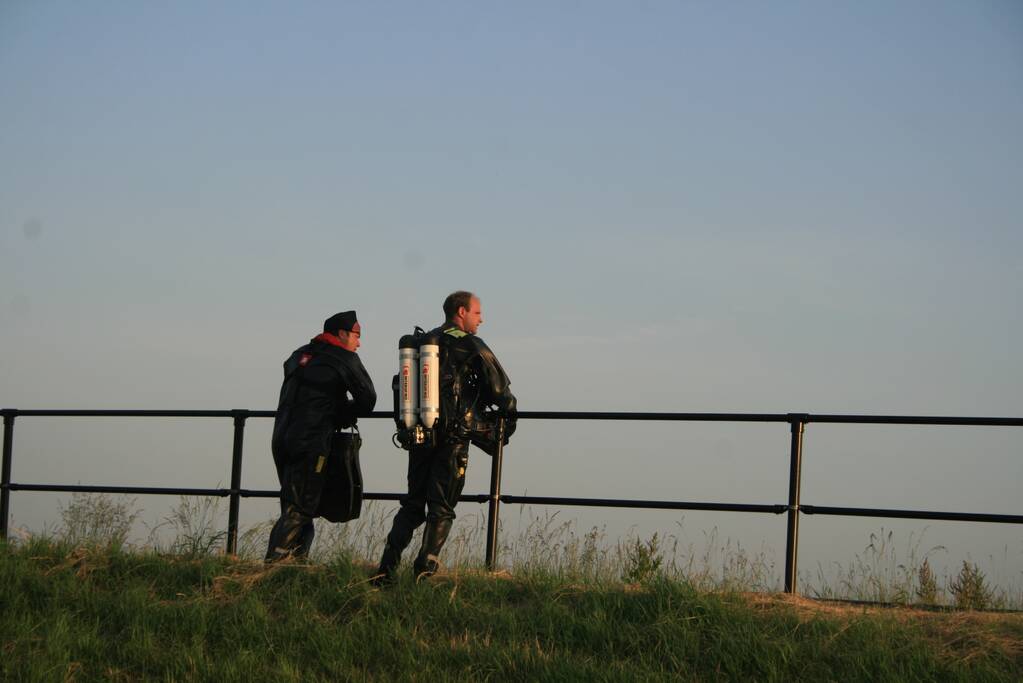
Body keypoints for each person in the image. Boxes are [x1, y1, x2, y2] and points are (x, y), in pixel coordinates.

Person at [374, 291, 517, 583]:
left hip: (420, 434)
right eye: (477, 313)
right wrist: (507, 423)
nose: (482, 319)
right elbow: (500, 389)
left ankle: (385, 569)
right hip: (453, 438)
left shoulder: (425, 343)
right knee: (441, 507)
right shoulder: (470, 344)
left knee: (413, 504)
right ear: (461, 311)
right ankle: (424, 573)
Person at [265, 310, 377, 562]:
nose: (359, 343)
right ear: (342, 334)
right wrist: (342, 413)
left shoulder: (298, 355)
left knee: (297, 502)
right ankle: (272, 565)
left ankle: (297, 563)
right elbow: (367, 399)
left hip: (281, 437)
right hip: (311, 440)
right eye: (357, 336)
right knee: (300, 506)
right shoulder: (343, 357)